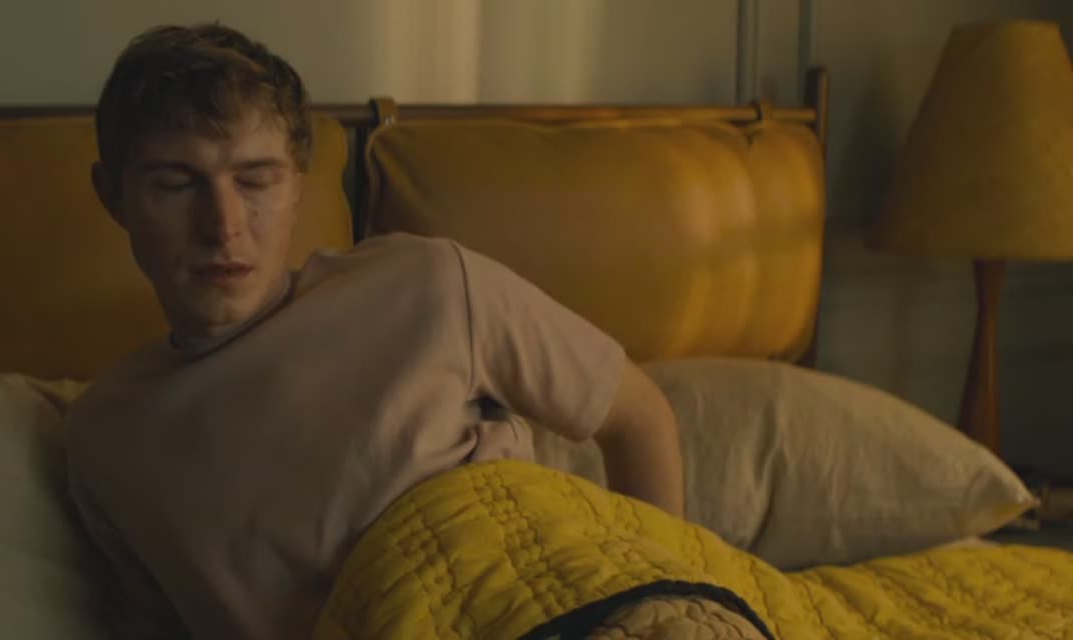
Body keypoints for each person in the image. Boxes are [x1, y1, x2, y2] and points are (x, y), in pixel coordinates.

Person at [65, 21, 685, 640]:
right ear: (112, 195)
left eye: (255, 180)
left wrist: (666, 596)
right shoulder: (105, 438)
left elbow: (639, 420)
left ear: (298, 184)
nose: (222, 225)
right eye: (175, 184)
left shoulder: (428, 285)